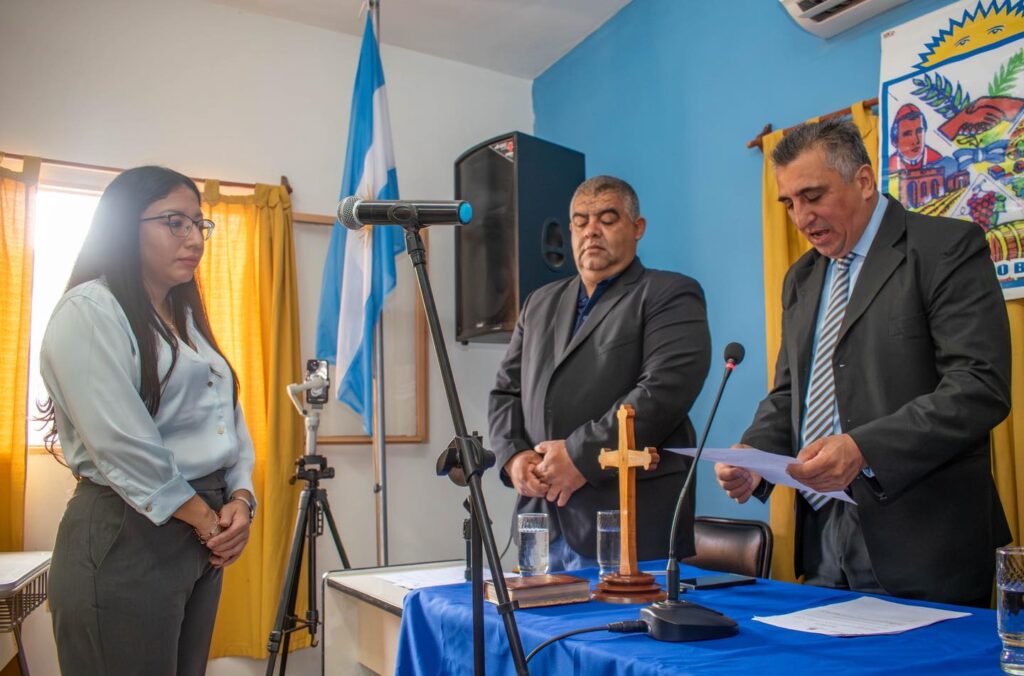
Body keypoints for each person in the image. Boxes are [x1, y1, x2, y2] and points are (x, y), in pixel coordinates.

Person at [715, 119, 1011, 607]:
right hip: (824, 538)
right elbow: (792, 392)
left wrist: (863, 448)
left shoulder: (944, 248)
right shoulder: (800, 277)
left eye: (813, 196)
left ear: (865, 181)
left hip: (924, 541)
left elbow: (979, 387)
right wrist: (755, 458)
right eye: (788, 203)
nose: (801, 217)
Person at [38, 166, 257, 675]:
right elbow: (121, 442)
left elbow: (228, 422)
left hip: (200, 529)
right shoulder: (90, 309)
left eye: (199, 224)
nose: (194, 238)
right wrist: (208, 521)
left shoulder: (185, 318)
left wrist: (242, 500)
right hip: (129, 531)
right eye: (175, 222)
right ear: (123, 226)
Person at [489, 175, 711, 571]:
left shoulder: (670, 293)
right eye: (581, 221)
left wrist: (578, 456)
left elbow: (662, 391)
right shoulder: (538, 303)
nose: (591, 231)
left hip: (627, 522)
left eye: (607, 219)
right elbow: (506, 391)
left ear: (637, 228)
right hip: (541, 521)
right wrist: (513, 456)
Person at [887, 103, 943, 173]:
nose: (916, 140)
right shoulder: (889, 166)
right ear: (895, 140)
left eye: (919, 131)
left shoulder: (937, 160)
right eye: (908, 134)